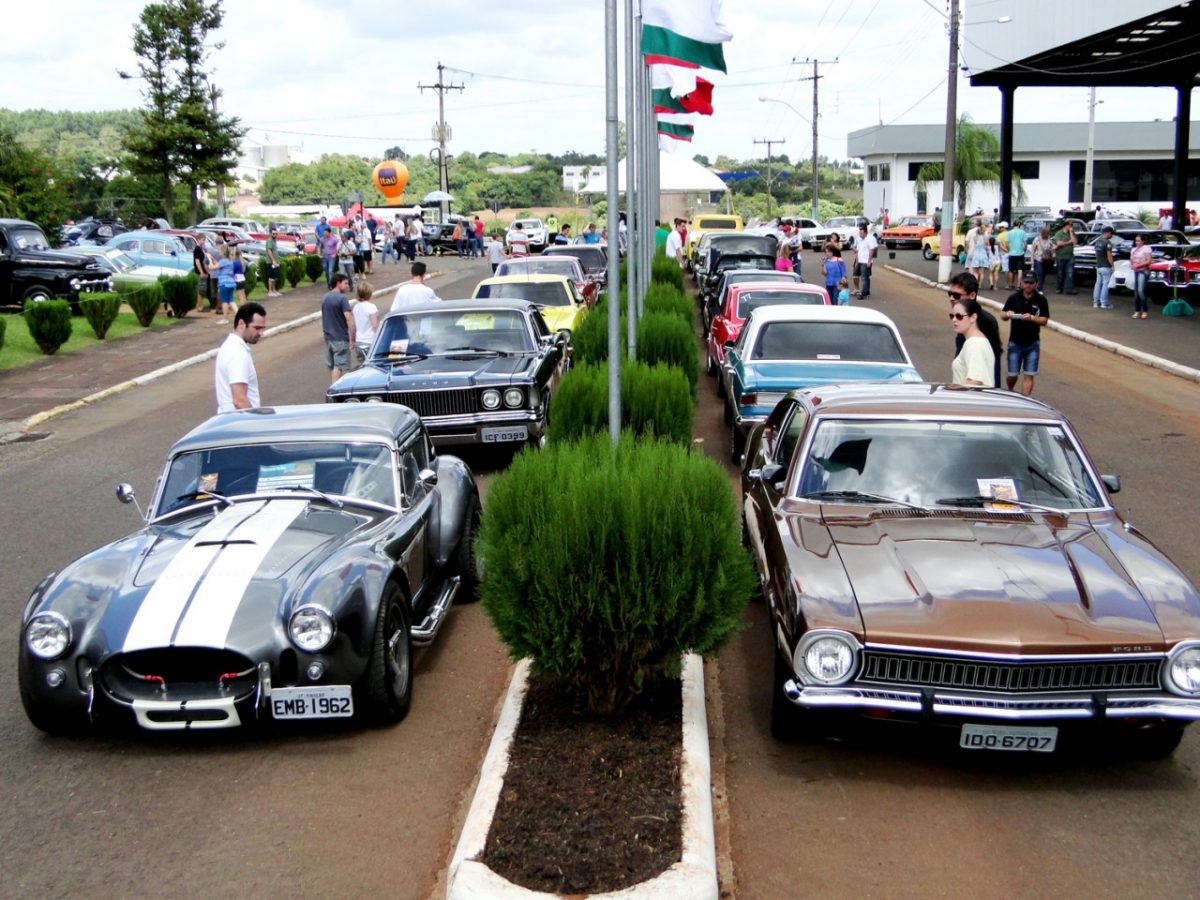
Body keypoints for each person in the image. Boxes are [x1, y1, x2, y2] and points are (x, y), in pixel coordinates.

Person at [946, 271, 1002, 388]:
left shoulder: (984, 326)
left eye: (956, 295)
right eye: (949, 294)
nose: (951, 298)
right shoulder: (965, 329)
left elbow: (988, 368)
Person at [1002, 272, 1050, 395]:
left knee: (1029, 375)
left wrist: (1032, 318)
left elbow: (1044, 320)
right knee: (1012, 374)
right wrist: (1008, 314)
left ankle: (1025, 399)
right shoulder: (1013, 298)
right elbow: (1002, 314)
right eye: (1026, 282)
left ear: (1036, 284)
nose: (1028, 285)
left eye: (1031, 283)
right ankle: (1011, 390)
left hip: (1032, 343)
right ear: (1021, 283)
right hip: (1015, 342)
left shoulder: (1041, 300)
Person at [214, 301, 266, 413]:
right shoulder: (237, 353)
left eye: (262, 328)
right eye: (257, 328)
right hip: (240, 424)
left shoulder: (229, 346)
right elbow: (239, 400)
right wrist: (257, 422)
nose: (261, 333)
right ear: (241, 323)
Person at [950, 297, 996, 387]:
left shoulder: (975, 344)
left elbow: (974, 381)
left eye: (959, 316)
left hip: (970, 399)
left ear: (973, 317)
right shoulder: (976, 341)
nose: (954, 320)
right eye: (952, 316)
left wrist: (955, 393)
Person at [321, 273, 355, 384]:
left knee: (332, 365)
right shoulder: (342, 299)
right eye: (345, 283)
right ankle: (335, 390)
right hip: (340, 337)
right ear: (338, 283)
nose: (347, 286)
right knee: (339, 366)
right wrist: (352, 338)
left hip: (328, 337)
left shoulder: (325, 298)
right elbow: (349, 319)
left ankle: (333, 386)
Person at [352, 280, 379, 366]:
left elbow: (354, 326)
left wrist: (352, 339)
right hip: (370, 341)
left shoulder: (355, 307)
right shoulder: (371, 307)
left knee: (363, 366)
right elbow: (374, 325)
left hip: (359, 342)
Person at [1129, 232, 1153, 320]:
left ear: (1143, 241)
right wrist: (1131, 264)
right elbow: (1131, 259)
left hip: (1143, 270)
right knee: (1136, 292)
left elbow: (1149, 260)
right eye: (1136, 241)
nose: (1137, 242)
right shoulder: (1133, 249)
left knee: (1140, 290)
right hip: (1136, 270)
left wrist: (1139, 265)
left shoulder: (1146, 249)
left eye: (1138, 241)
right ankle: (1137, 310)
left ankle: (1145, 310)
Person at [1092, 224, 1115, 309]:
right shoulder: (1107, 243)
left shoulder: (1098, 241)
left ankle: (1095, 302)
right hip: (1106, 266)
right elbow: (1109, 255)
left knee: (1098, 284)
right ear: (1108, 233)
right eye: (1111, 233)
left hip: (1099, 266)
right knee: (1105, 285)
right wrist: (1112, 265)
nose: (1112, 235)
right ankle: (1103, 303)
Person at [1052, 220, 1077, 294]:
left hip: (1070, 257)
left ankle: (1069, 289)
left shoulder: (1071, 233)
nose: (1071, 226)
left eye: (1072, 225)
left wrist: (1071, 233)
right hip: (1060, 256)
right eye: (1070, 225)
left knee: (1070, 273)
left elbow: (1075, 242)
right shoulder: (1059, 233)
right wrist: (1069, 242)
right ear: (1066, 225)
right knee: (1060, 274)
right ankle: (1059, 288)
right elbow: (1058, 243)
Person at [214, 244, 236, 324]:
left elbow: (213, 267)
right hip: (231, 283)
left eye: (220, 251)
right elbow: (218, 265)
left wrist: (209, 259)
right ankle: (240, 315)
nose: (219, 252)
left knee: (224, 301)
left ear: (223, 252)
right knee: (231, 300)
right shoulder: (230, 261)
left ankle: (225, 319)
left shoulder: (223, 261)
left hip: (224, 283)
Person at [854, 224, 877, 297]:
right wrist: (857, 261)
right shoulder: (860, 239)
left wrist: (869, 261)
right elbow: (858, 251)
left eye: (861, 233)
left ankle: (864, 292)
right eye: (859, 233)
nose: (860, 234)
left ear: (866, 232)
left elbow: (872, 250)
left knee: (864, 277)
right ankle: (862, 290)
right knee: (855, 274)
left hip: (865, 261)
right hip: (860, 260)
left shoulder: (869, 239)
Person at [1004, 220, 1028, 290]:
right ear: (1019, 225)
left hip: (1012, 253)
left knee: (1011, 270)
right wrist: (1024, 250)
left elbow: (1007, 243)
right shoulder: (1023, 232)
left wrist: (1009, 250)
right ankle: (1018, 285)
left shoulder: (1009, 233)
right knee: (1020, 270)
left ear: (1013, 225)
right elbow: (1025, 244)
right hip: (1020, 253)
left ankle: (1011, 284)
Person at [1030, 227, 1054, 294]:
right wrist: (1032, 260)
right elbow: (1033, 250)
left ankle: (1040, 287)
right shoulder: (1037, 239)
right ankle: (1039, 288)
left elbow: (1052, 248)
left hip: (1046, 260)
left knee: (1043, 274)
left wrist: (1052, 250)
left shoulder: (1049, 240)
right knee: (1039, 273)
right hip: (1038, 259)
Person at [192, 238, 213, 314]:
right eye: (202, 240)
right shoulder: (197, 249)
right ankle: (200, 306)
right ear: (198, 240)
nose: (203, 241)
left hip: (205, 271)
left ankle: (199, 305)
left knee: (202, 289)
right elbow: (197, 261)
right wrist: (201, 272)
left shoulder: (202, 249)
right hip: (200, 272)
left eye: (204, 240)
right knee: (201, 289)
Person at [265, 227, 283, 297]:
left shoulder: (274, 241)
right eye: (273, 233)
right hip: (271, 262)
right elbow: (269, 251)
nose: (274, 235)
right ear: (270, 234)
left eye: (276, 233)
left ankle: (274, 290)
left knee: (275, 276)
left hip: (275, 262)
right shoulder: (269, 241)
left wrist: (277, 260)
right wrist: (273, 260)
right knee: (271, 276)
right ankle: (270, 291)